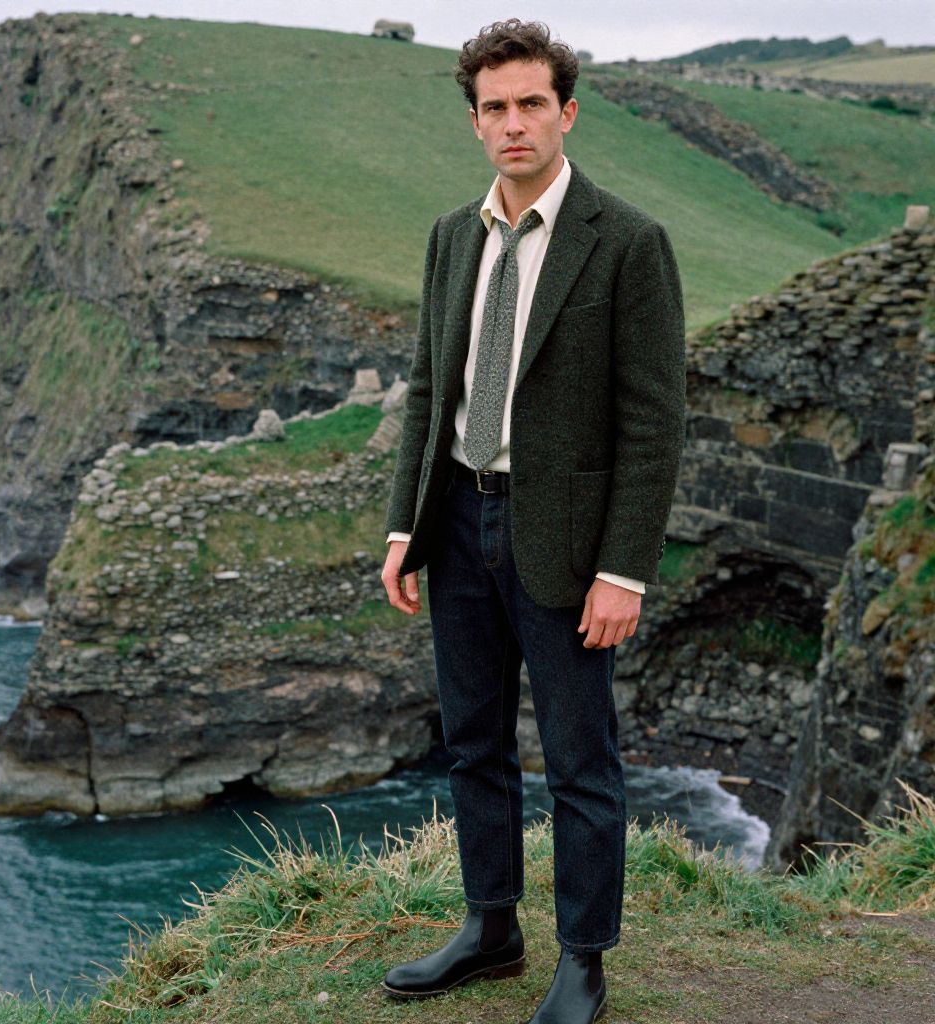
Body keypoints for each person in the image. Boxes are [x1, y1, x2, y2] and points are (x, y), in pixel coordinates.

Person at [379, 19, 686, 1024]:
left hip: (564, 542)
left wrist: (624, 570)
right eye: (494, 108)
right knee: (472, 743)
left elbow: (653, 424)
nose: (514, 124)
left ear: (566, 112)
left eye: (530, 104)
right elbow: (430, 388)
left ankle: (584, 961)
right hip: (458, 524)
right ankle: (489, 927)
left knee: (579, 756)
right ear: (474, 123)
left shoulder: (628, 241)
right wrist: (403, 529)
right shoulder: (448, 236)